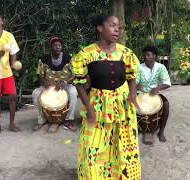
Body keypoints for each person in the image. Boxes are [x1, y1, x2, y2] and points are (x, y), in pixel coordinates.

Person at [72, 15, 141, 179]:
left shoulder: (126, 53)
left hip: (122, 106)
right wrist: (88, 108)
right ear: (100, 28)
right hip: (97, 105)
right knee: (93, 147)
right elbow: (79, 83)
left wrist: (132, 96)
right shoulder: (86, 54)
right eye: (112, 25)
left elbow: (132, 76)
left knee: (123, 144)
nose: (117, 29)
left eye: (119, 26)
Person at [32, 37, 78, 133]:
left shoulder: (68, 58)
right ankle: (42, 119)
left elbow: (75, 74)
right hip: (49, 86)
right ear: (51, 47)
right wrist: (44, 82)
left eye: (59, 45)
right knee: (35, 93)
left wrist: (65, 82)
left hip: (64, 85)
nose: (57, 47)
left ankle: (69, 120)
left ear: (62, 47)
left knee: (73, 92)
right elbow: (39, 75)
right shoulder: (44, 59)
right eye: (55, 45)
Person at [136, 45, 171, 142]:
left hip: (155, 94)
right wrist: (137, 86)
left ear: (154, 56)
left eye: (148, 55)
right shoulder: (139, 67)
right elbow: (134, 83)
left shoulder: (161, 67)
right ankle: (143, 130)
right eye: (144, 55)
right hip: (141, 94)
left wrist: (158, 88)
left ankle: (161, 132)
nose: (145, 57)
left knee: (166, 105)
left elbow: (167, 83)